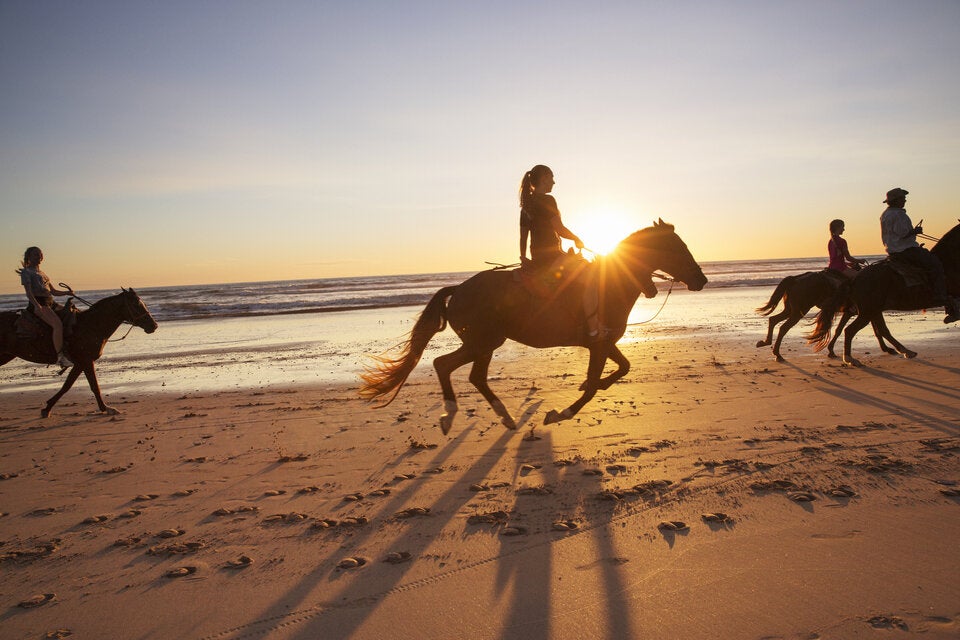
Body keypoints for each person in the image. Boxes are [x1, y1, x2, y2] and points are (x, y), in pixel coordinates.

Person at [518, 164, 606, 340]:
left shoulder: (526, 205)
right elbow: (559, 229)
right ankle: (594, 330)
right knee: (590, 279)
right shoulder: (548, 200)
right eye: (551, 178)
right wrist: (576, 238)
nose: (554, 182)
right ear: (543, 178)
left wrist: (524, 258)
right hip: (553, 256)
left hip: (537, 257)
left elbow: (523, 238)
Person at [879, 187, 959, 323]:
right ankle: (940, 297)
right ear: (896, 200)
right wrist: (915, 231)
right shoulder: (898, 214)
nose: (905, 200)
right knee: (936, 264)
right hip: (906, 249)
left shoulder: (885, 214)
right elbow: (902, 233)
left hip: (893, 250)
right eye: (902, 198)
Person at [17, 246, 74, 366]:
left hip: (50, 302)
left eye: (40, 254)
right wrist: (37, 306)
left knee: (73, 313)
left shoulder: (42, 273)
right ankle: (60, 357)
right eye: (36, 254)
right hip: (39, 303)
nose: (39, 257)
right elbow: (29, 292)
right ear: (29, 257)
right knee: (57, 325)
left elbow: (53, 291)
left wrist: (67, 293)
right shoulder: (26, 272)